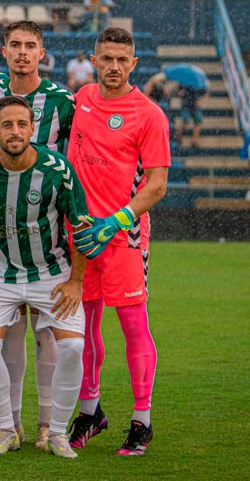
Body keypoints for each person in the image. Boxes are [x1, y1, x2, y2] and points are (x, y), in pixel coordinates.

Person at [0, 95, 89, 458]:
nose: (15, 132)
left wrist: (76, 281)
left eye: (21, 124)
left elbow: (80, 228)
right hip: (0, 272)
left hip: (51, 272)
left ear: (33, 128)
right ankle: (6, 430)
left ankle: (58, 432)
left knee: (74, 347)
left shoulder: (57, 169)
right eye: (7, 125)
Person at [67, 27, 169, 456]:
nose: (113, 66)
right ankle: (91, 412)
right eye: (105, 58)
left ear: (134, 63)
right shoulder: (83, 98)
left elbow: (158, 184)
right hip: (80, 237)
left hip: (122, 236)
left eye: (121, 59)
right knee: (84, 325)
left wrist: (119, 218)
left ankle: (141, 420)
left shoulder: (150, 114)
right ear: (93, 59)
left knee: (132, 326)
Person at [0, 19, 76, 450]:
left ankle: (47, 425)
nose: (22, 52)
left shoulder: (63, 101)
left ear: (42, 53)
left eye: (30, 45)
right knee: (10, 333)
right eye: (14, 45)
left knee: (46, 334)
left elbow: (79, 152)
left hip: (49, 232)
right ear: (3, 51)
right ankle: (11, 424)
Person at [175, 81, 208, 149]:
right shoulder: (184, 81)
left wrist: (200, 101)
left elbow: (205, 94)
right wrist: (180, 93)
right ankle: (178, 137)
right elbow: (179, 91)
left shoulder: (197, 82)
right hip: (186, 105)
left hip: (195, 106)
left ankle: (193, 141)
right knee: (185, 122)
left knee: (198, 123)